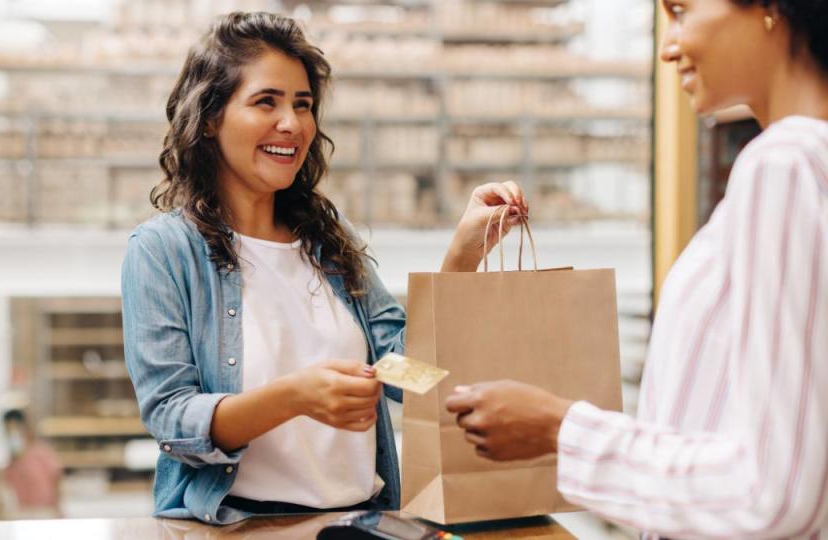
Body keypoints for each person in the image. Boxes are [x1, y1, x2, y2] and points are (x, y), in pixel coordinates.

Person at [121, 11, 528, 524]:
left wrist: (464, 255)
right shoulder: (162, 250)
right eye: (266, 101)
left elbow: (408, 375)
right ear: (210, 117)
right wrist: (295, 396)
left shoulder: (328, 239)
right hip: (239, 527)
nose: (292, 123)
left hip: (362, 523)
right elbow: (172, 418)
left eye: (303, 104)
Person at [445, 0, 828, 537]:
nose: (669, 47)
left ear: (767, 9)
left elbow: (772, 495)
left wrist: (559, 427)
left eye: (680, 10)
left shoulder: (783, 164)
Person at [2, 409, 63, 518]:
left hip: (45, 511)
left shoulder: (41, 452)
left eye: (16, 429)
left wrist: (58, 508)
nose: (13, 434)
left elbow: (57, 478)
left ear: (24, 427)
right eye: (9, 431)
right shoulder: (11, 460)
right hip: (23, 512)